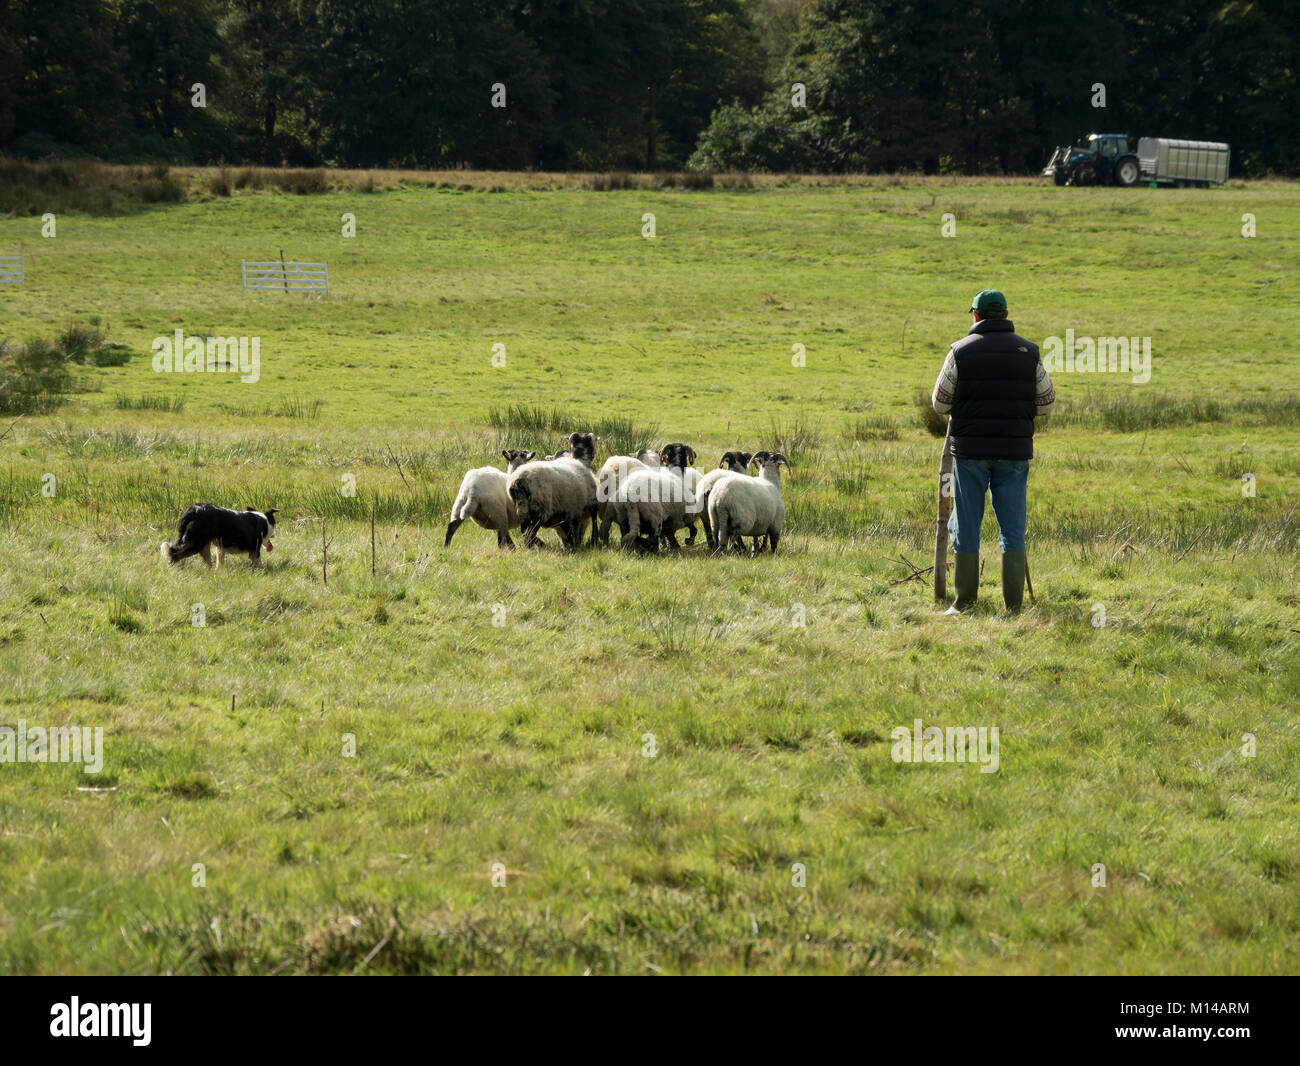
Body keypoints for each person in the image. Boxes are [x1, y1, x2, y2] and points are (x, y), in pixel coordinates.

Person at [931, 290, 1055, 613]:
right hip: (1014, 453)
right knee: (1012, 529)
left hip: (970, 451)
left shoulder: (959, 352)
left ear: (975, 316)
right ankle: (1013, 608)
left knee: (968, 526)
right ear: (1006, 314)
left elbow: (939, 402)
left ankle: (964, 603)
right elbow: (1047, 402)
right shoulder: (1028, 352)